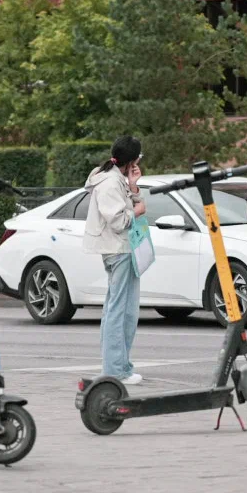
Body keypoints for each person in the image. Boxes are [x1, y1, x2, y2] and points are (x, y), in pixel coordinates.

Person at [83, 136, 146, 385]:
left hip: (121, 249)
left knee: (124, 310)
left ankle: (121, 366)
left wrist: (133, 186)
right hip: (118, 250)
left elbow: (124, 207)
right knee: (119, 311)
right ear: (131, 160)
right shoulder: (109, 182)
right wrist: (137, 211)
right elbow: (119, 221)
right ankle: (115, 371)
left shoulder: (114, 179)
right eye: (139, 158)